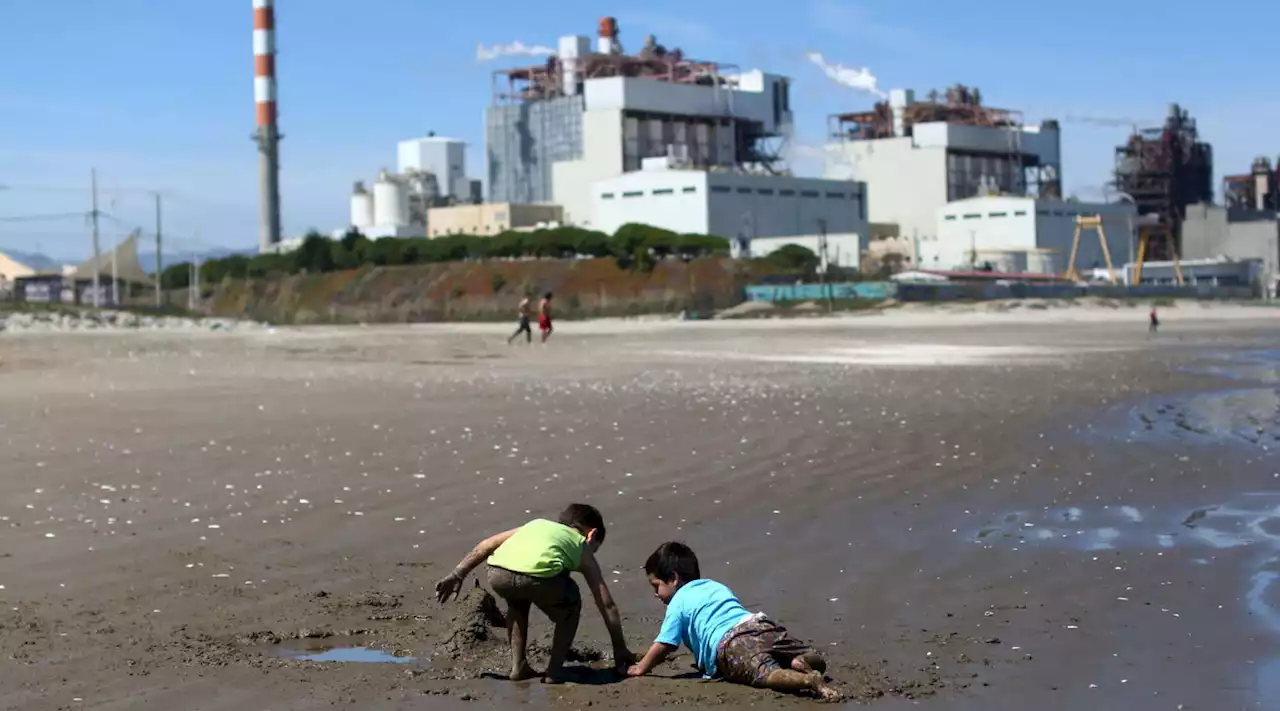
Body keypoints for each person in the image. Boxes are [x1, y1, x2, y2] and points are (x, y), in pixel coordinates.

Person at [435, 504, 632, 682]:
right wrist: (619, 647)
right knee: (570, 606)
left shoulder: (535, 525)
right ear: (592, 534)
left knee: (517, 602)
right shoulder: (581, 545)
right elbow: (605, 603)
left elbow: (486, 545)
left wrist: (457, 574)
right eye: (595, 548)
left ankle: (518, 667)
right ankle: (555, 671)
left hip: (498, 573)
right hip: (539, 577)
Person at [626, 542, 840, 701]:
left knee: (766, 673)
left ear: (673, 578)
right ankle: (801, 659)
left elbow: (666, 643)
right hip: (760, 624)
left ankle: (807, 681)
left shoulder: (677, 602)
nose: (656, 594)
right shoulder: (715, 586)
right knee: (792, 652)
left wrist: (640, 668)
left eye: (656, 586)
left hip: (731, 643)